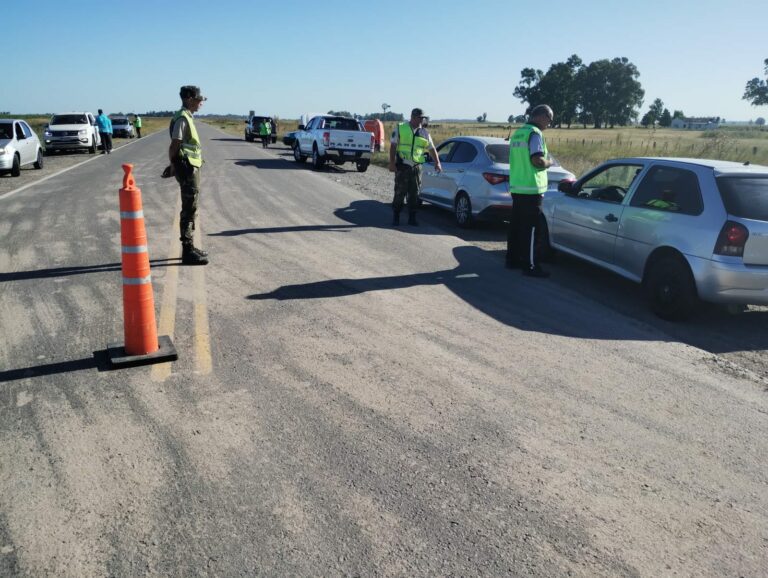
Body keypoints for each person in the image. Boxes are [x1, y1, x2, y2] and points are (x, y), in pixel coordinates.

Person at [506, 104, 554, 277]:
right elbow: (537, 160)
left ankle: (512, 260)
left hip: (518, 186)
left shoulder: (519, 133)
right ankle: (531, 266)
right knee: (533, 229)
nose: (550, 123)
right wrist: (549, 162)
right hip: (532, 189)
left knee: (517, 226)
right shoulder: (534, 134)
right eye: (550, 119)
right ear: (541, 116)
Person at [168, 85, 209, 265]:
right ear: (188, 99)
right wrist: (173, 165)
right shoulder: (182, 118)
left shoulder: (187, 117)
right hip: (187, 169)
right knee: (189, 209)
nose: (201, 102)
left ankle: (190, 247)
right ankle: (187, 249)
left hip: (190, 167)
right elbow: (175, 144)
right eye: (198, 99)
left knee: (191, 207)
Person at [388, 108, 441, 226]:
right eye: (419, 118)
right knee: (399, 192)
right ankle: (396, 215)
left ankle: (412, 217)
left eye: (423, 118)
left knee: (414, 193)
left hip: (417, 167)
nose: (421, 121)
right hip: (403, 165)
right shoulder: (401, 128)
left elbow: (432, 149)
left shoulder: (425, 133)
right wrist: (392, 163)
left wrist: (437, 162)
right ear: (412, 117)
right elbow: (393, 146)